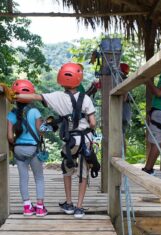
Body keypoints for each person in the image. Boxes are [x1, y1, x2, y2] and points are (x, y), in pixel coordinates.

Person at [12, 62, 97, 219]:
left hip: (70, 141)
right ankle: (79, 207)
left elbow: (34, 96)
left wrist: (14, 95)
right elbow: (92, 123)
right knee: (83, 172)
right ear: (79, 79)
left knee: (67, 170)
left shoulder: (56, 97)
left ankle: (69, 204)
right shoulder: (85, 99)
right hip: (85, 139)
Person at [6, 79, 48, 217]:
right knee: (39, 178)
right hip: (33, 149)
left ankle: (27, 207)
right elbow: (40, 131)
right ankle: (40, 208)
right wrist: (45, 127)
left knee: (23, 178)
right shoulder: (35, 111)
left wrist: (14, 145)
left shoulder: (11, 114)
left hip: (18, 149)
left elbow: (10, 137)